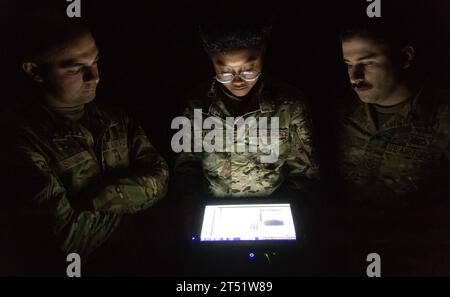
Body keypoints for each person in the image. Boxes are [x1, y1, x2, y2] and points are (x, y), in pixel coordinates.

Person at [3, 16, 169, 275]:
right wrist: (133, 209)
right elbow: (66, 239)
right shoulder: (19, 142)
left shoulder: (116, 119)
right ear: (34, 71)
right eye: (74, 68)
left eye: (96, 61)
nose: (95, 77)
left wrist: (94, 199)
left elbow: (161, 178)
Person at [173, 14, 319, 216]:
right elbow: (185, 170)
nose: (238, 80)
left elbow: (304, 174)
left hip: (273, 211)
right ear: (212, 61)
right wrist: (195, 214)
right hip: (214, 212)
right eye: (225, 71)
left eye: (249, 70)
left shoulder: (290, 105)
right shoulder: (194, 106)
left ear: (263, 54)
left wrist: (289, 216)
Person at [338, 18, 450, 275]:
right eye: (349, 65)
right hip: (346, 252)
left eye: (367, 63)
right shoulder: (339, 112)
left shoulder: (441, 117)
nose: (355, 77)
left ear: (405, 57)